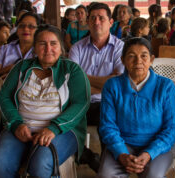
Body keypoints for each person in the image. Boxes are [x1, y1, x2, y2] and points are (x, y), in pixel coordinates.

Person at [0, 24, 90, 178]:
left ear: (61, 48)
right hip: (21, 128)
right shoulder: (21, 68)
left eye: (53, 43)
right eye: (42, 44)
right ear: (34, 48)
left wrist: (53, 129)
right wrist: (16, 124)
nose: (48, 48)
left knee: (41, 164)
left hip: (62, 131)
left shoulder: (72, 70)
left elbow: (81, 103)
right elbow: (4, 96)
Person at [97, 37, 175, 178]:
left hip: (157, 147)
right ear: (123, 60)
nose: (138, 61)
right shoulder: (112, 86)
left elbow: (173, 128)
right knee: (106, 175)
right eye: (131, 56)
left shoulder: (165, 87)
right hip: (123, 144)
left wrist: (150, 153)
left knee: (153, 176)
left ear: (151, 59)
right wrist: (121, 153)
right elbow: (107, 126)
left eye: (144, 56)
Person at [69, 2, 124, 172]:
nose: (97, 21)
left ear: (111, 22)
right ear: (87, 21)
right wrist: (106, 83)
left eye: (101, 18)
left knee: (107, 122)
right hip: (79, 103)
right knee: (58, 122)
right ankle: (88, 157)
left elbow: (118, 84)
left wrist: (84, 79)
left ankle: (109, 167)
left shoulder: (120, 48)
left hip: (107, 103)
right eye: (92, 18)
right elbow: (72, 84)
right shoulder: (77, 48)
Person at [0, 12, 39, 78]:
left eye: (31, 26)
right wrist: (8, 69)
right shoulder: (4, 50)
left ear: (38, 30)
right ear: (17, 30)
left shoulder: (42, 51)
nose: (26, 29)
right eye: (22, 25)